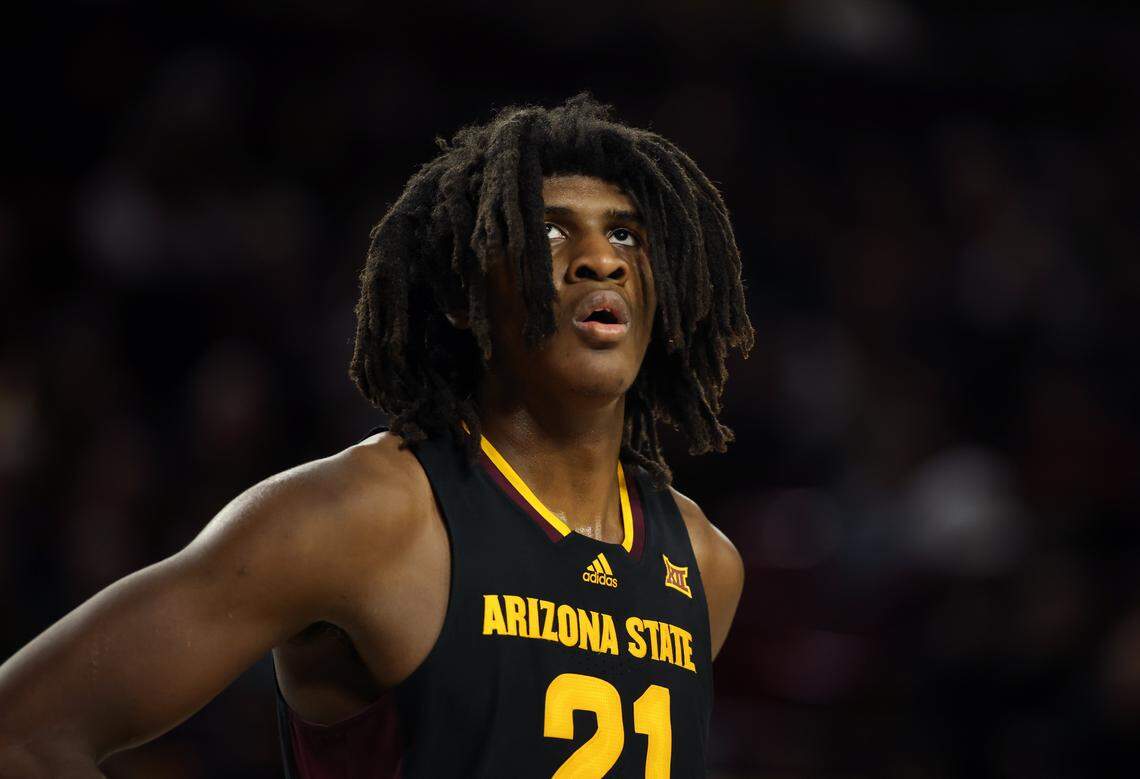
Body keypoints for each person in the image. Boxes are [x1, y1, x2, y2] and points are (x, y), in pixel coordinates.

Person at [0, 94, 753, 777]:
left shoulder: (705, 564)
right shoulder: (365, 517)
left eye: (626, 234)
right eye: (550, 230)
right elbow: (23, 731)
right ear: (465, 298)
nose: (600, 259)